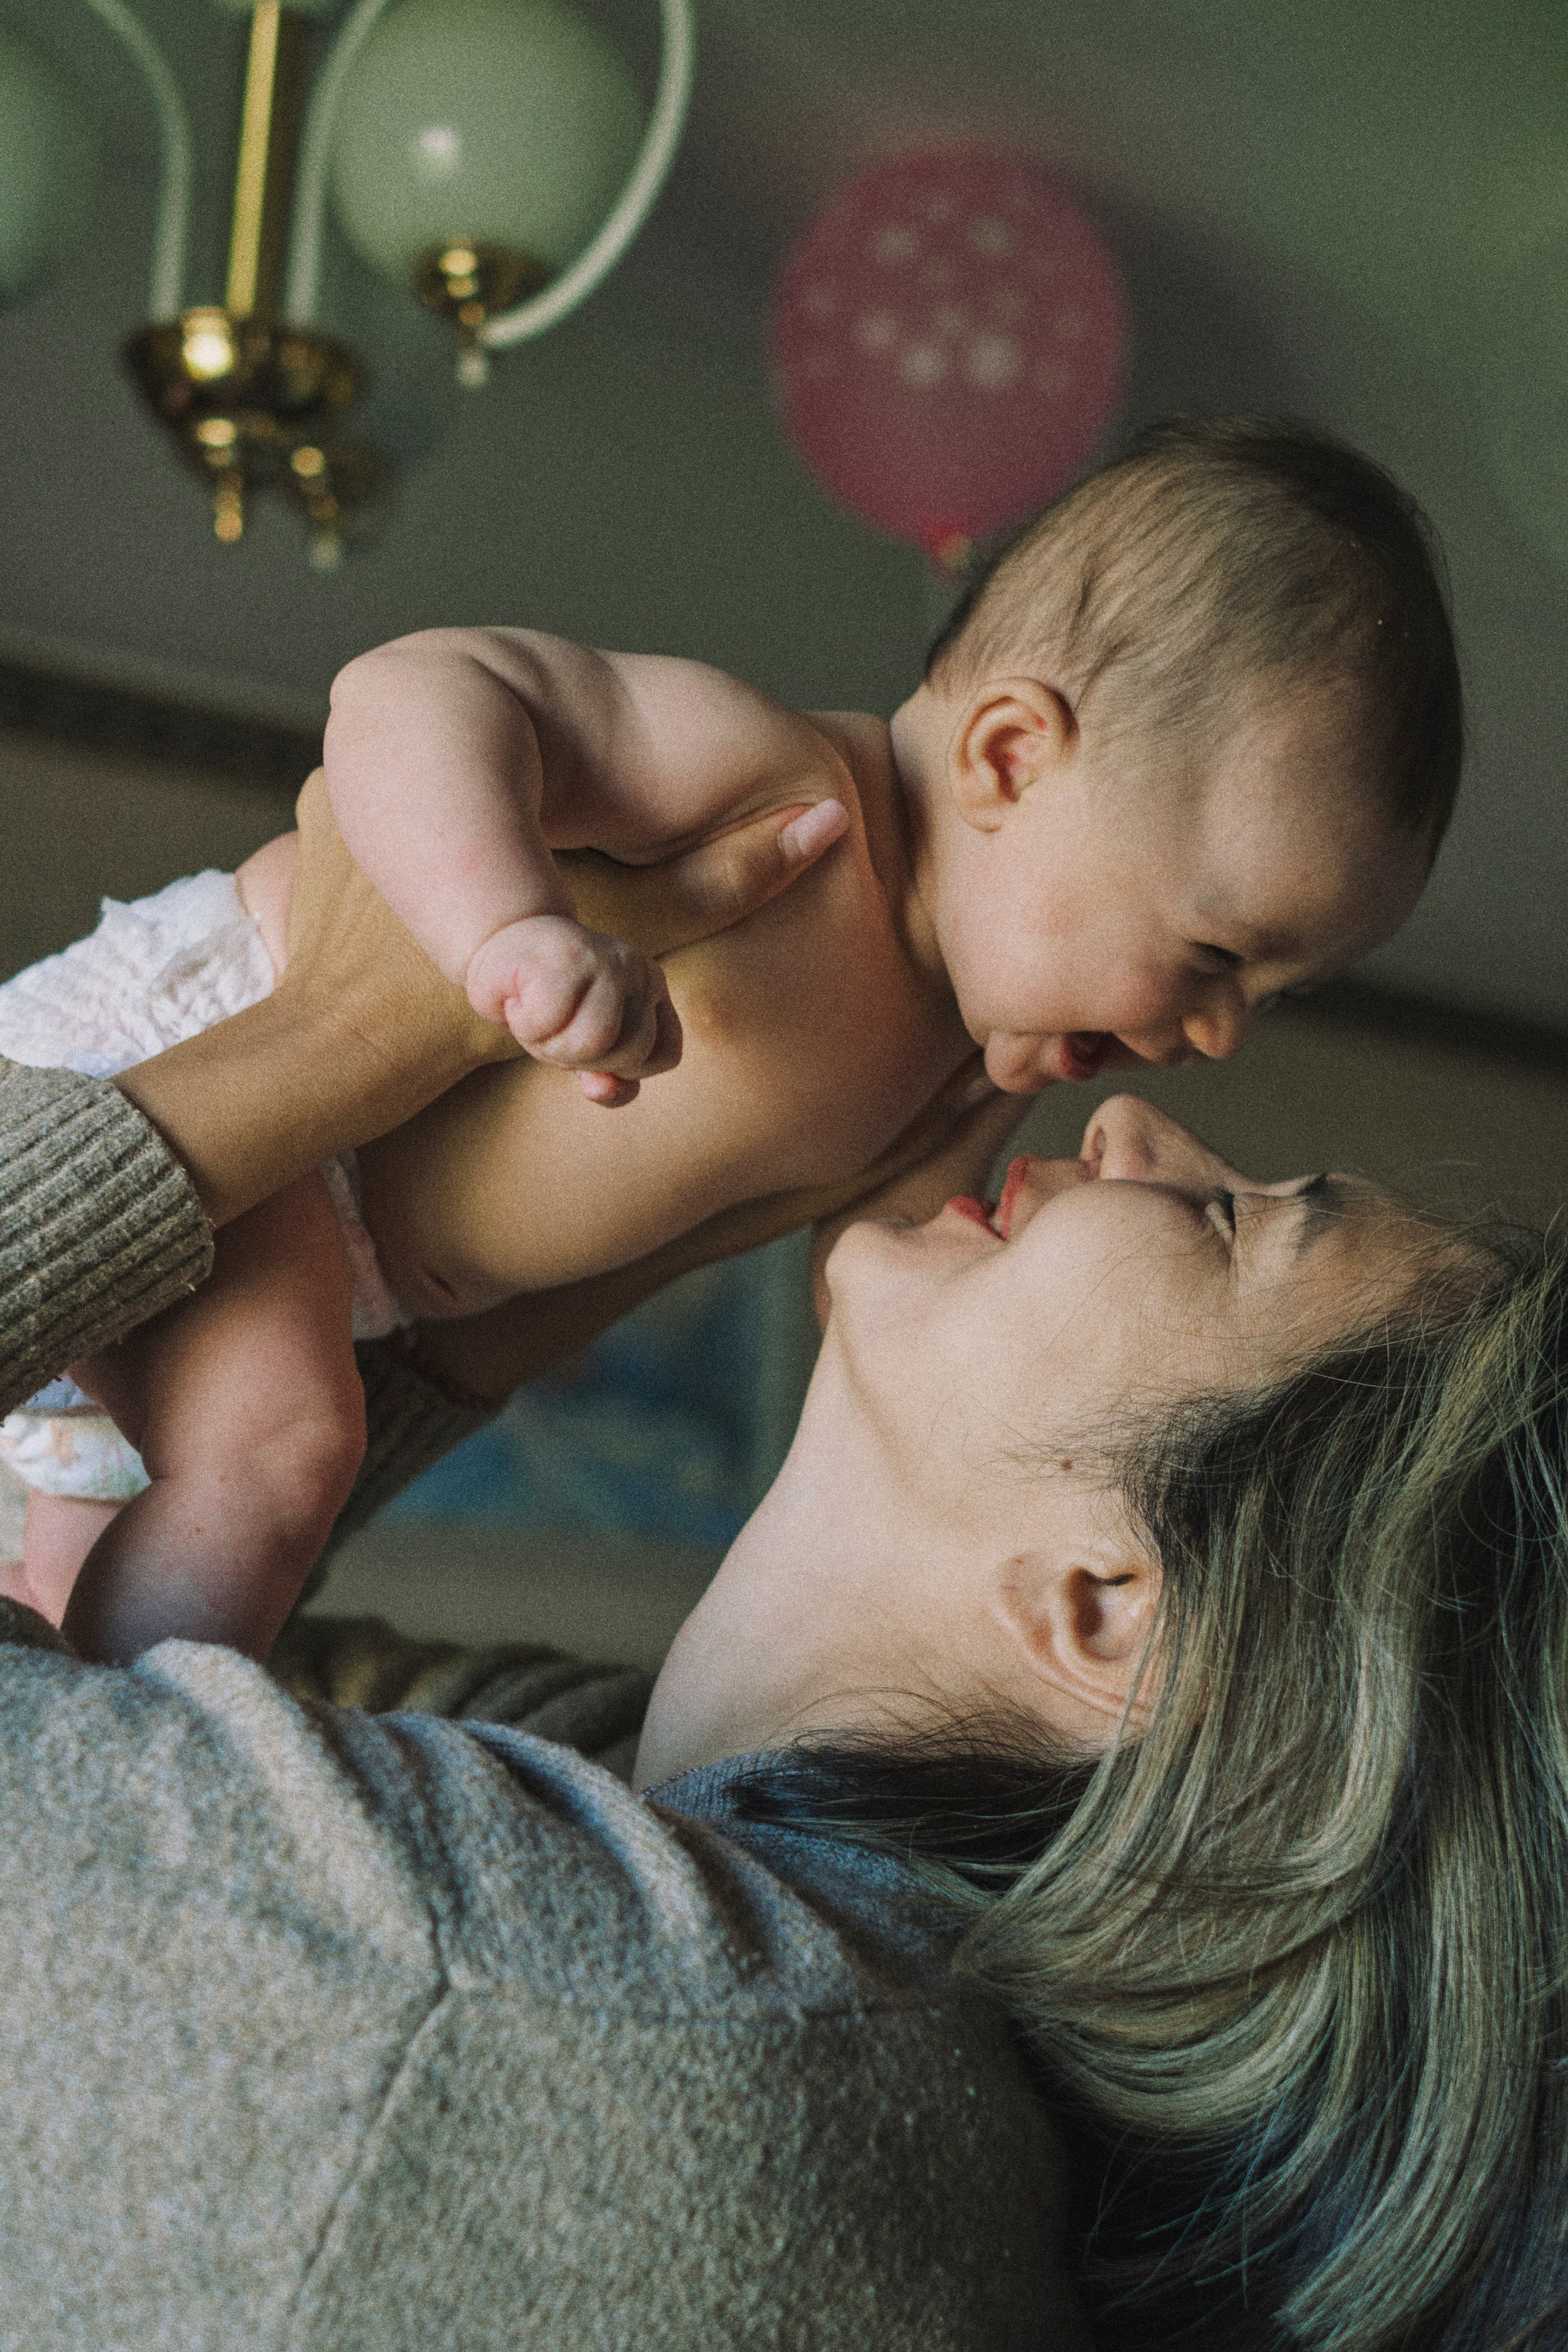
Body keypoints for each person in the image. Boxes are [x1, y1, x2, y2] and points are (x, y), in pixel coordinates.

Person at [1, 910, 1562, 2350]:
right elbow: (175, 1685)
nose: (1132, 1127)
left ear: (1114, 1611)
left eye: (1227, 1225)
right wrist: (654, 1224)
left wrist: (352, 1015)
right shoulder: (804, 1985)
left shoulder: (557, 2014)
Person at [0, 417, 1464, 1664]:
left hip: (343, 1268)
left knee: (133, 1546)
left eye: (1264, 996)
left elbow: (874, 1307)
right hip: (208, 1058)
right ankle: (124, 1750)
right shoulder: (777, 789)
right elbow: (413, 695)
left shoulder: (945, 1062)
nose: (1212, 1036)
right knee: (272, 1463)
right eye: (1212, 955)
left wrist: (967, 1133)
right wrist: (504, 927)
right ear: (1009, 756)